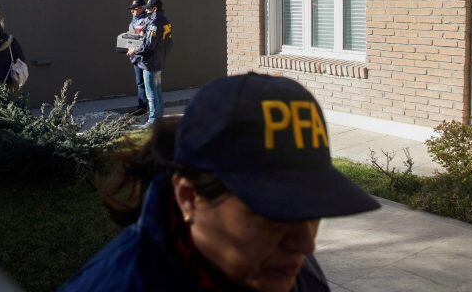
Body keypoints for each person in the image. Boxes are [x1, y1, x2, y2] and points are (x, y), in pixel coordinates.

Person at [62, 73, 380, 291]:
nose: (306, 244)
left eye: (309, 208)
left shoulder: (289, 272)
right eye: (273, 213)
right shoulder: (119, 283)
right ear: (189, 197)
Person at [128, 0, 172, 127]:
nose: (146, 11)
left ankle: (152, 120)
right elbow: (169, 43)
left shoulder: (154, 23)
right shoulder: (165, 21)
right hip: (159, 61)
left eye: (148, 8)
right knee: (157, 91)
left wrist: (134, 51)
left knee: (151, 93)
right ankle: (159, 118)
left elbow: (148, 46)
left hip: (150, 62)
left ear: (155, 9)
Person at [127, 0, 149, 115]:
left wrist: (134, 49)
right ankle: (143, 107)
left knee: (145, 83)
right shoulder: (135, 20)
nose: (132, 11)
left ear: (141, 8)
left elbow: (143, 40)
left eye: (134, 9)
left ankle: (144, 108)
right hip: (135, 55)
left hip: (142, 56)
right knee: (140, 82)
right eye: (131, 9)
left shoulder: (145, 20)